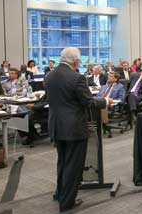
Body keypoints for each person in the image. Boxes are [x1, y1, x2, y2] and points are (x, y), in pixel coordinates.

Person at [44, 47, 109, 212]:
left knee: (63, 162)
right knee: (73, 166)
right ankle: (67, 203)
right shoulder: (77, 77)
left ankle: (60, 193)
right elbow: (88, 102)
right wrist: (106, 102)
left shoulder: (49, 75)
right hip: (73, 128)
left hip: (56, 126)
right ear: (76, 61)